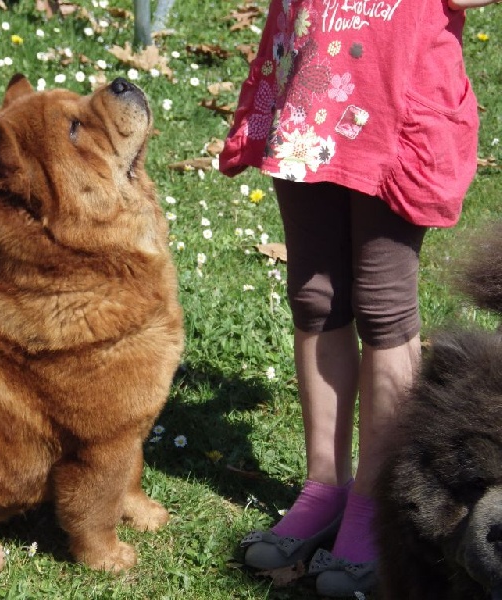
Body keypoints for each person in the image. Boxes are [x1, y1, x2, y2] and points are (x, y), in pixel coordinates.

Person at [218, 0, 494, 596]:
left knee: (382, 304)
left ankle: (373, 502)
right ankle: (323, 487)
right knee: (315, 296)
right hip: (310, 86)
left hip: (396, 100)